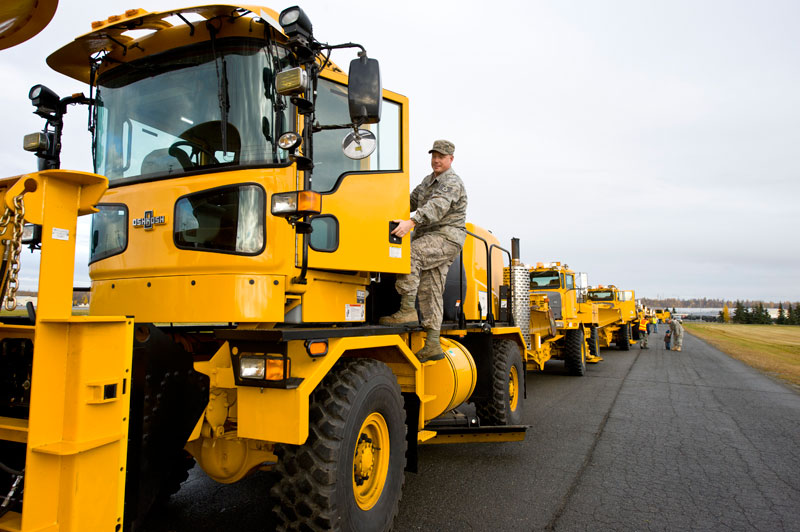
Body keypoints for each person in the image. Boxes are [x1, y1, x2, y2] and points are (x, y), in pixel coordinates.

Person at [379, 139, 467, 362]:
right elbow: (407, 201)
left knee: (410, 253)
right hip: (431, 237)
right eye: (434, 155)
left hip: (446, 237)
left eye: (441, 156)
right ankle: (433, 343)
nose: (436, 160)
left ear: (451, 159)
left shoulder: (452, 182)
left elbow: (436, 206)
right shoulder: (427, 182)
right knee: (431, 288)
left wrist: (412, 221)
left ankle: (407, 309)